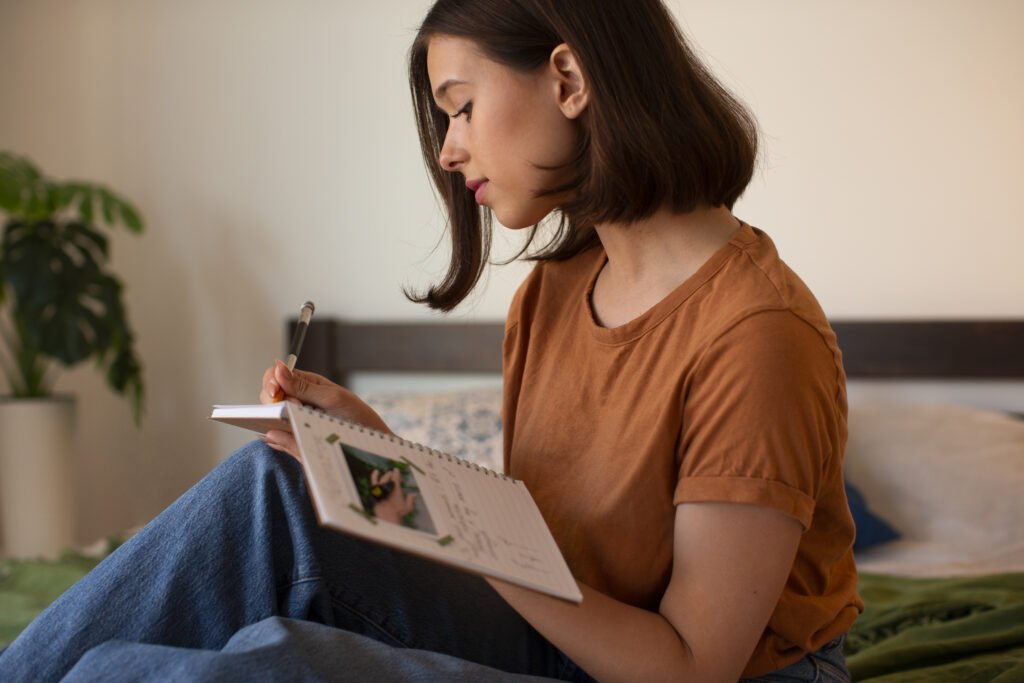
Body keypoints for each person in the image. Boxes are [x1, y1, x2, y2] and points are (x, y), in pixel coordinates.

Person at [0, 0, 862, 680]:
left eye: (461, 108)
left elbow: (688, 668)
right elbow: (542, 550)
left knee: (185, 671)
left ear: (568, 78)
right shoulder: (555, 294)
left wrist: (450, 516)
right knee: (276, 480)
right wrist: (386, 461)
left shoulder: (758, 337)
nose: (449, 151)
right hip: (558, 639)